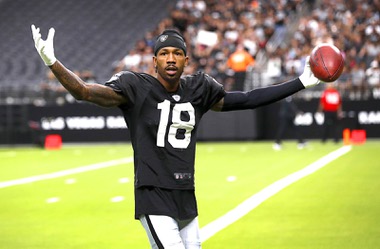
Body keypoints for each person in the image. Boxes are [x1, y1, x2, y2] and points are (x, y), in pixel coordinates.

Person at [31, 25, 321, 249]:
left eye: (177, 53)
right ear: (154, 61)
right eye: (165, 54)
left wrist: (300, 82)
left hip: (185, 192)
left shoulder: (199, 89)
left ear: (186, 60)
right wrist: (52, 62)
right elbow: (84, 91)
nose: (171, 58)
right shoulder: (135, 86)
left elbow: (247, 99)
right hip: (153, 193)